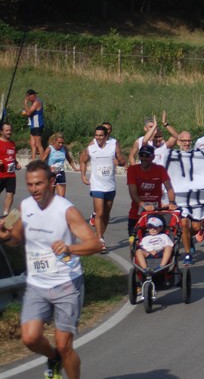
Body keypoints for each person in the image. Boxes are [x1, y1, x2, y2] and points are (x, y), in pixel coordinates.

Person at [0, 160, 103, 379]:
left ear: (51, 182)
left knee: (65, 345)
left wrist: (70, 248)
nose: (34, 189)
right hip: (37, 284)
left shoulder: (67, 210)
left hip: (67, 283)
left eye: (38, 183)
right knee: (29, 338)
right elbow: (14, 238)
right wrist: (6, 236)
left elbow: (95, 244)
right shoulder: (23, 207)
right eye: (29, 184)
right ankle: (53, 358)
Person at [80, 126, 127, 252]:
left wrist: (119, 162)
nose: (98, 138)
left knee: (106, 214)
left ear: (106, 136)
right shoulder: (91, 148)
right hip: (97, 185)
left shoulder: (113, 146)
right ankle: (100, 239)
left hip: (110, 185)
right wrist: (83, 175)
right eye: (96, 135)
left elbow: (122, 160)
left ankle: (99, 235)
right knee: (99, 212)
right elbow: (83, 160)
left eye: (101, 135)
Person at [126, 145, 177, 240]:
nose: (144, 158)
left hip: (155, 212)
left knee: (157, 242)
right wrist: (144, 205)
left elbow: (169, 188)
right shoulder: (132, 170)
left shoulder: (160, 169)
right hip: (136, 213)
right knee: (134, 242)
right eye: (142, 155)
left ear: (153, 157)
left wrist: (171, 202)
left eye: (147, 155)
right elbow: (133, 193)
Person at [172, 131, 203, 265]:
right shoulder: (172, 156)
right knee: (184, 223)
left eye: (189, 140)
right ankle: (187, 254)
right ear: (178, 142)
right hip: (181, 199)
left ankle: (187, 238)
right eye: (183, 140)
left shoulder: (197, 155)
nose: (186, 143)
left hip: (195, 198)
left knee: (196, 228)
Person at [42, 132, 80, 197]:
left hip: (60, 172)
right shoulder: (49, 149)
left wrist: (75, 168)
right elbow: (42, 161)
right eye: (59, 143)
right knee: (50, 198)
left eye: (62, 143)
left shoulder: (64, 148)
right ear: (55, 141)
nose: (60, 145)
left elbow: (69, 159)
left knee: (62, 198)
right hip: (51, 174)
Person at [0, 123, 21, 217]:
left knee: (10, 194)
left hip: (11, 175)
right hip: (0, 174)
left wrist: (16, 163)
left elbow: (12, 157)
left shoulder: (12, 143)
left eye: (10, 130)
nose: (9, 132)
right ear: (1, 131)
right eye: (7, 130)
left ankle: (5, 214)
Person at [22, 89, 45, 161]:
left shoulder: (36, 102)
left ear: (32, 95)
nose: (27, 99)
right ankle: (33, 161)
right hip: (33, 124)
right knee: (32, 144)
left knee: (38, 145)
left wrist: (25, 104)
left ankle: (42, 161)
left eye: (28, 97)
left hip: (37, 124)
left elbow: (29, 113)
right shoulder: (33, 102)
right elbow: (30, 112)